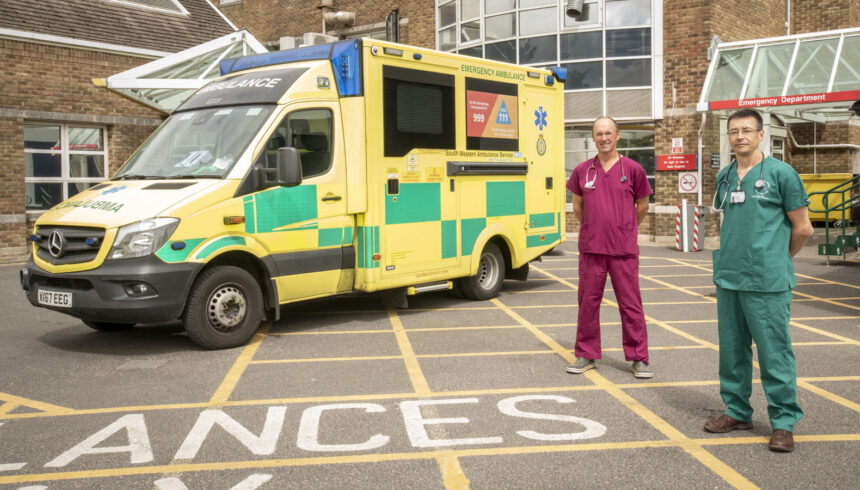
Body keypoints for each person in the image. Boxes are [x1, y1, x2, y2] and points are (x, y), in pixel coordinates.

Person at [704, 109, 814, 453]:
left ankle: (783, 422)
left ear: (761, 134)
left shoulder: (782, 174)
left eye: (747, 130)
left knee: (774, 354)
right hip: (731, 278)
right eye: (734, 131)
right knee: (732, 352)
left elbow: (803, 228)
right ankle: (737, 411)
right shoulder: (725, 176)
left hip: (768, 281)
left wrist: (779, 259)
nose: (739, 136)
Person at [565, 117, 653, 379]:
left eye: (608, 133)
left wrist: (625, 229)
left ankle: (639, 358)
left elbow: (643, 206)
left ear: (617, 136)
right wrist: (594, 227)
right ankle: (586, 354)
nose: (603, 138)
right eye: (598, 134)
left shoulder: (633, 169)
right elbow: (578, 207)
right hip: (592, 249)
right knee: (588, 304)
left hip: (623, 251)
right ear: (593, 138)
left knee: (631, 305)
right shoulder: (583, 170)